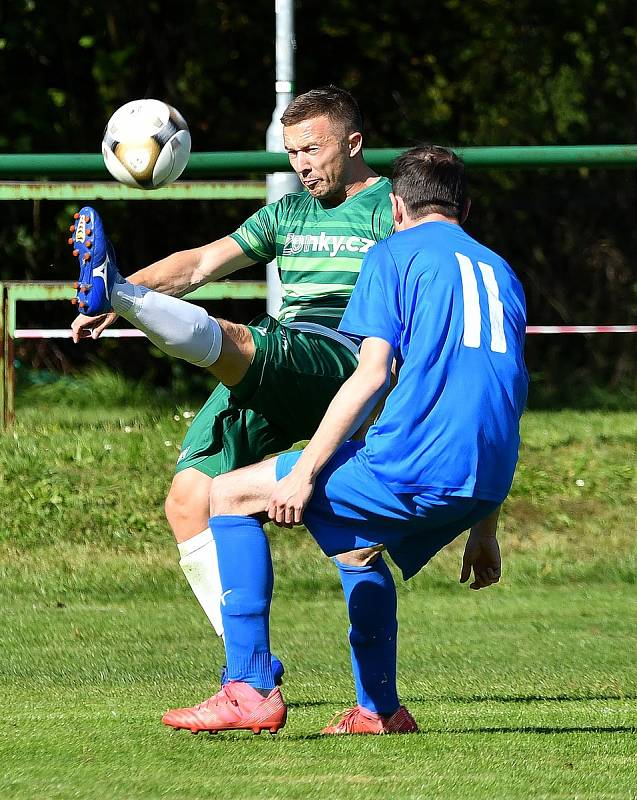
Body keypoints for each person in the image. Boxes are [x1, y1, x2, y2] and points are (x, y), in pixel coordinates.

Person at [159, 144, 529, 735]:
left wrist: (304, 472)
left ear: (399, 206)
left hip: (415, 462)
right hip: (486, 475)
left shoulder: (392, 254)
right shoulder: (499, 270)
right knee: (356, 546)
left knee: (228, 494)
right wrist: (484, 522)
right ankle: (379, 711)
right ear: (466, 206)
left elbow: (371, 374)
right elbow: (502, 391)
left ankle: (248, 688)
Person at [69, 86, 395, 685]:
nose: (300, 165)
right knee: (189, 499)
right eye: (292, 151)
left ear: (352, 145)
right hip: (284, 357)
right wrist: (123, 304)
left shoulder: (392, 209)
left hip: (344, 361)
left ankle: (116, 287)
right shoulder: (288, 213)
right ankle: (250, 671)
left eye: (312, 150)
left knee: (240, 341)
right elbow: (197, 265)